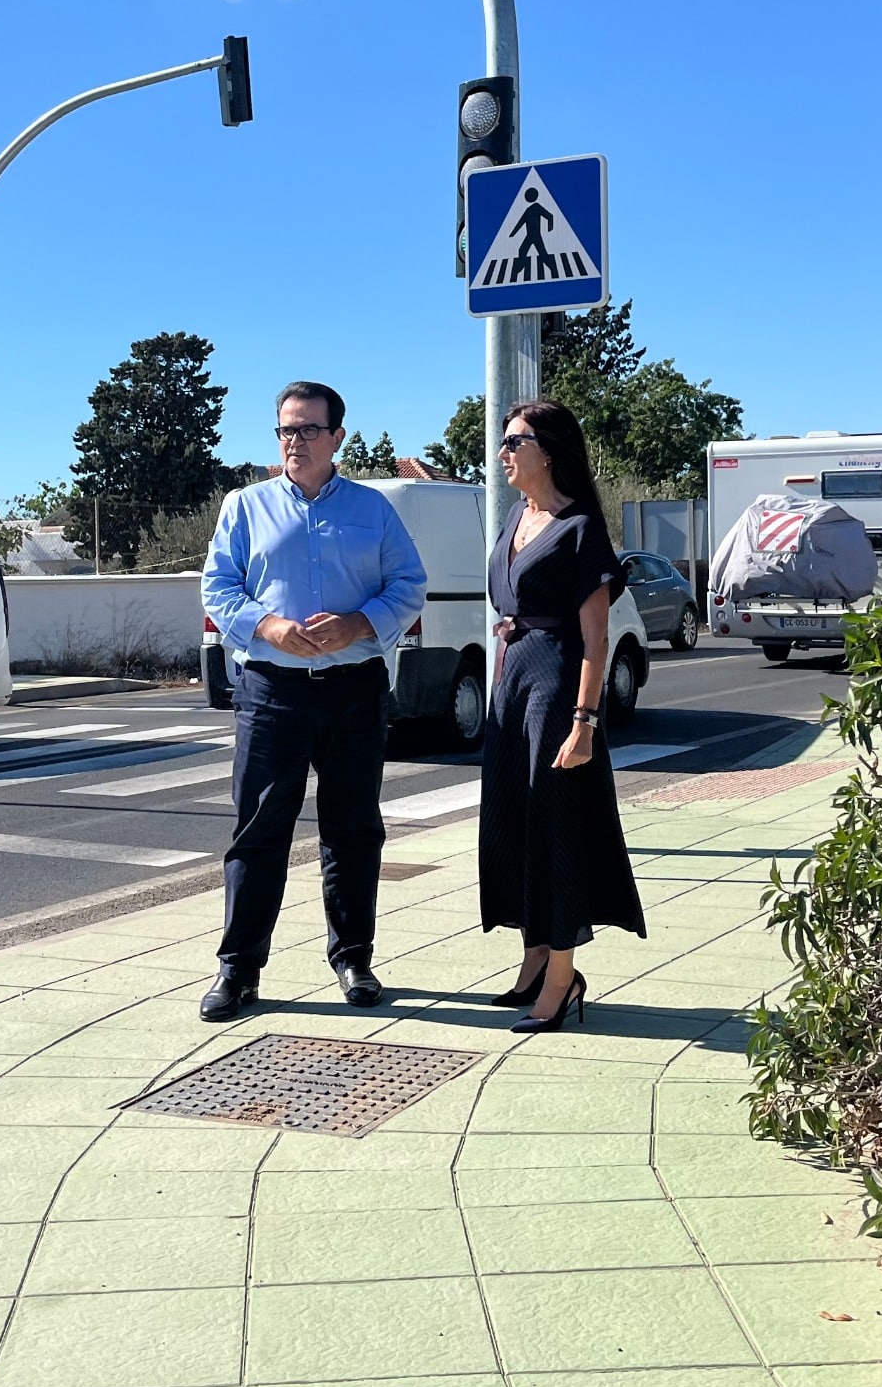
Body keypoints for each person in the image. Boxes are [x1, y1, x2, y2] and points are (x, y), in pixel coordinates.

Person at [197, 382, 428, 1022]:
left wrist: (360, 623)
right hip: (272, 690)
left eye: (307, 430)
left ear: (337, 438)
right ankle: (238, 969)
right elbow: (218, 587)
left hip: (354, 688)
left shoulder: (373, 510)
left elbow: (410, 583)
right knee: (258, 830)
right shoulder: (244, 507)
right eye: (285, 430)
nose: (294, 442)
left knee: (353, 830)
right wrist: (266, 626)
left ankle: (354, 959)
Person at [479, 399, 646, 1032]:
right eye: (504, 441)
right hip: (511, 687)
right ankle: (533, 959)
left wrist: (584, 722)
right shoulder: (514, 518)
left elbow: (596, 639)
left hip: (556, 690)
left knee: (556, 830)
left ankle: (561, 979)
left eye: (514, 441)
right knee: (513, 823)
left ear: (547, 451)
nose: (503, 452)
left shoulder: (579, 527)